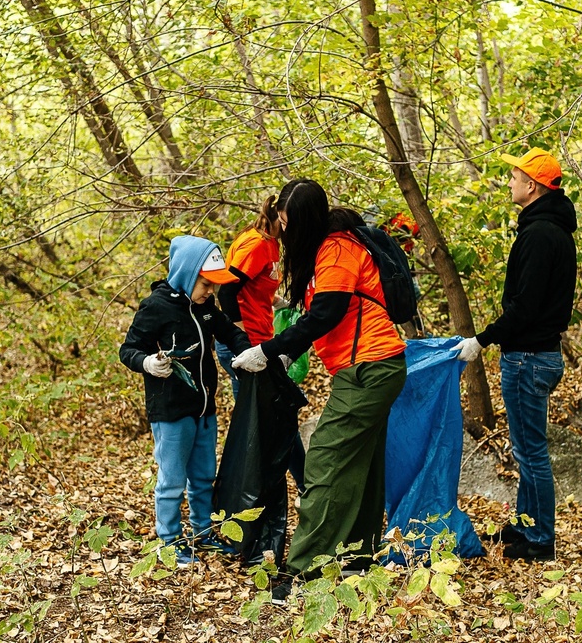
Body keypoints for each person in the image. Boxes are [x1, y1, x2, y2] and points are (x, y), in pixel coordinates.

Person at [232, 179, 407, 603]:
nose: (283, 230)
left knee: (324, 464)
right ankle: (355, 560)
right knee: (360, 466)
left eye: (288, 222)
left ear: (304, 220)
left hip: (370, 368)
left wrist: (269, 350)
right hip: (367, 368)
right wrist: (287, 352)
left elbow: (327, 312)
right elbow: (320, 313)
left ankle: (303, 572)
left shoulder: (338, 250)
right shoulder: (330, 250)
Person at [452, 147, 577, 563]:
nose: (510, 182)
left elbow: (525, 306)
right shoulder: (546, 228)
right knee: (527, 448)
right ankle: (526, 526)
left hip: (529, 357)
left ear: (533, 185)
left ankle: (540, 540)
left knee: (531, 452)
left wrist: (481, 340)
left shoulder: (541, 234)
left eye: (515, 176)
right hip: (535, 354)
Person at [119, 235, 252, 566]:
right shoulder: (157, 306)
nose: (210, 292)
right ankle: (169, 540)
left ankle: (202, 532)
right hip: (171, 411)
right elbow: (128, 349)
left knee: (204, 475)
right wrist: (148, 362)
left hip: (204, 408)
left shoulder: (205, 307)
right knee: (172, 479)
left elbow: (229, 332)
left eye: (213, 286)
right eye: (206, 284)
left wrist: (248, 350)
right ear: (187, 274)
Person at [216, 198, 307, 493]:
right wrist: (239, 337)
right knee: (270, 419)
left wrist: (281, 302)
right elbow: (227, 290)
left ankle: (295, 486)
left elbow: (255, 288)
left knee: (274, 416)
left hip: (261, 340)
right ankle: (257, 492)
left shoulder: (271, 244)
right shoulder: (255, 243)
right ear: (280, 218)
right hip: (247, 347)